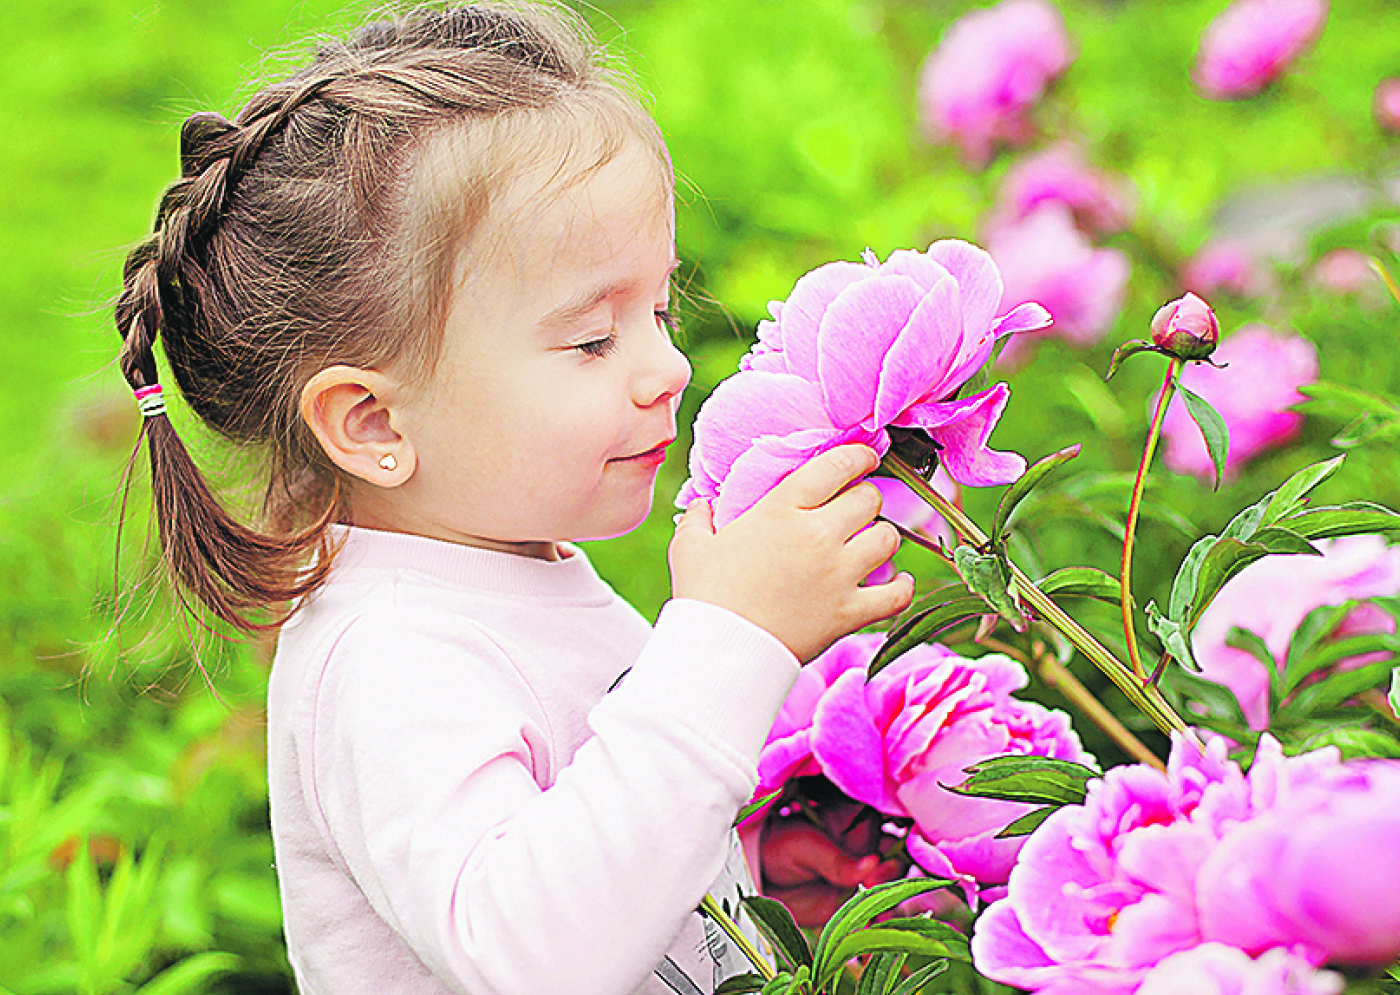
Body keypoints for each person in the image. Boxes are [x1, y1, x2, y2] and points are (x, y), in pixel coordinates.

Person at [107, 5, 914, 993]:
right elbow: (533, 951)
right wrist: (731, 638)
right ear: (374, 422)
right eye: (591, 339)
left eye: (658, 308)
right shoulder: (391, 655)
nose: (667, 366)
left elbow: (589, 852)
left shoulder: (504, 574)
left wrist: (740, 883)